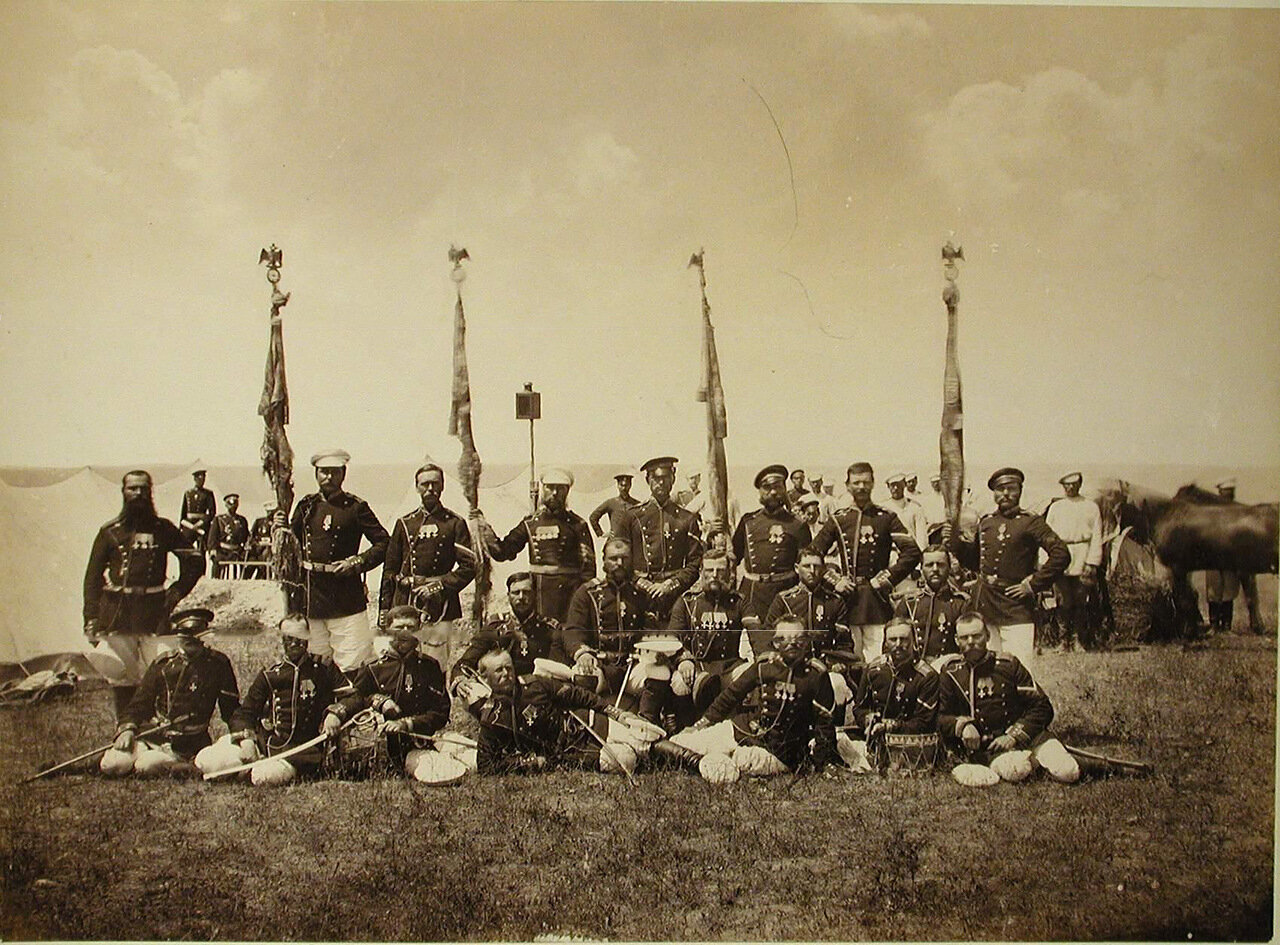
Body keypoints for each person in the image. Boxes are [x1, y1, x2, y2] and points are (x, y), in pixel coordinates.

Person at [83, 470, 206, 721]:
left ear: (150, 492)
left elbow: (195, 560)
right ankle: (125, 729)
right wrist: (92, 617)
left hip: (154, 612)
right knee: (122, 676)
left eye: (143, 488)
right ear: (123, 492)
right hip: (118, 613)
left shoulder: (163, 529)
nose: (138, 493)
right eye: (132, 488)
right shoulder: (110, 532)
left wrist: (177, 591)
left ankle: (158, 730)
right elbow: (92, 577)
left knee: (161, 670)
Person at [671, 619, 836, 777]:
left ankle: (702, 761)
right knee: (680, 743)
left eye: (798, 639)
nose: (791, 644)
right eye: (784, 639)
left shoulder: (816, 675)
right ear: (775, 643)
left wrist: (823, 762)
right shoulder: (765, 665)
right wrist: (700, 725)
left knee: (732, 763)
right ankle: (678, 755)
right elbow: (731, 695)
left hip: (777, 751)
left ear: (807, 642)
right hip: (744, 729)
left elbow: (825, 722)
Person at [944, 467, 1069, 670]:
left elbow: (1061, 554)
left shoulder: (1031, 522)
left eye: (1011, 489)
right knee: (987, 669)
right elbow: (975, 562)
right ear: (994, 493)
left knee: (1019, 669)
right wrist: (956, 544)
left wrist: (1033, 584)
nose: (1005, 494)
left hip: (1016, 607)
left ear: (1020, 491)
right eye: (1000, 489)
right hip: (986, 605)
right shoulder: (986, 522)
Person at [458, 648, 653, 776]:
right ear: (485, 678)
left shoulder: (535, 683)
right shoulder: (492, 719)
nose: (506, 674)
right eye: (498, 670)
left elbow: (578, 695)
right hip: (571, 752)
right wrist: (527, 763)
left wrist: (614, 712)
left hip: (586, 724)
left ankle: (670, 758)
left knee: (642, 735)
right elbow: (486, 766)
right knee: (627, 759)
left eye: (508, 668)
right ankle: (653, 763)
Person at [936, 612, 1080, 784]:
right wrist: (963, 726)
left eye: (976, 636)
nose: (971, 642)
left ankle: (1091, 765)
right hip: (992, 749)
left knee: (1068, 771)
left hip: (1028, 738)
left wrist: (1013, 736)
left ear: (987, 636)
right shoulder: (951, 672)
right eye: (964, 637)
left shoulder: (1009, 665)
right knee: (1016, 769)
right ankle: (1036, 766)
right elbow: (941, 717)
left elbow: (1042, 707)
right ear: (956, 640)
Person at [100, 608, 240, 778]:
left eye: (196, 636)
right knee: (112, 765)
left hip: (191, 743)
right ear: (178, 637)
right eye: (185, 636)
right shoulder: (163, 664)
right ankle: (172, 765)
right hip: (155, 738)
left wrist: (243, 735)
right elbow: (138, 704)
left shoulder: (218, 664)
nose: (191, 641)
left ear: (203, 637)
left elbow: (231, 709)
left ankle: (176, 765)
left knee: (146, 765)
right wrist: (127, 729)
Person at [212, 614, 348, 783]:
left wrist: (334, 713)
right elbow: (245, 712)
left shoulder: (323, 668)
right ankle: (247, 766)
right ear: (282, 640)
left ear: (307, 639)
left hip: (304, 751)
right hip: (270, 744)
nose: (294, 644)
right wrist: (246, 741)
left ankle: (248, 772)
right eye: (288, 639)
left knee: (263, 776)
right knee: (210, 762)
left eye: (299, 639)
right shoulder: (270, 674)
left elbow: (352, 696)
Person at [286, 450, 390, 674]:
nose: (329, 477)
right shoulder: (306, 507)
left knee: (353, 662)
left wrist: (357, 562)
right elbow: (290, 543)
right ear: (316, 474)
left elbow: (384, 543)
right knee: (316, 663)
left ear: (344, 474)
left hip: (345, 598)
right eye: (324, 472)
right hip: (312, 597)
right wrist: (278, 525)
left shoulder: (356, 507)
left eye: (335, 472)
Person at [808, 462, 922, 664]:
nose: (861, 487)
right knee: (849, 659)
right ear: (847, 485)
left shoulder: (886, 517)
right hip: (846, 600)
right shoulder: (839, 519)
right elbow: (811, 554)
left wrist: (886, 578)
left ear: (873, 484)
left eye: (866, 482)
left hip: (875, 600)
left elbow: (912, 552)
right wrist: (835, 580)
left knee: (878, 659)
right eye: (856, 483)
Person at [323, 606, 452, 780]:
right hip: (380, 746)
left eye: (411, 627)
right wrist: (335, 713)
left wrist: (406, 724)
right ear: (387, 631)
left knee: (451, 767)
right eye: (398, 627)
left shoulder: (430, 666)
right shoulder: (372, 667)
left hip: (418, 742)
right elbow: (357, 698)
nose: (405, 632)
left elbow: (440, 712)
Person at [379, 463, 477, 668]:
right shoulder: (405, 523)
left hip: (440, 604)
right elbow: (390, 570)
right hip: (405, 602)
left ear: (442, 486)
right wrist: (384, 610)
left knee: (436, 663)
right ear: (417, 487)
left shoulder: (454, 523)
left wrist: (438, 587)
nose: (430, 488)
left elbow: (469, 566)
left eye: (435, 483)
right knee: (400, 661)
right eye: (425, 484)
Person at [475, 467, 595, 623]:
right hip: (538, 594)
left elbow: (589, 569)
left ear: (567, 491)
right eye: (550, 487)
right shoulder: (530, 523)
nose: (555, 493)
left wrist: (582, 601)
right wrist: (483, 526)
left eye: (560, 488)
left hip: (569, 595)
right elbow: (503, 552)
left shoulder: (578, 524)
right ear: (543, 488)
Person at [561, 537, 654, 714]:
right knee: (583, 677)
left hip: (633, 665)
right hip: (600, 664)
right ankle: (587, 725)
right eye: (613, 558)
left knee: (659, 673)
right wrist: (582, 653)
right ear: (603, 560)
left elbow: (651, 628)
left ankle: (648, 722)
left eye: (624, 558)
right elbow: (573, 629)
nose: (619, 563)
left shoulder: (640, 593)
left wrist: (650, 653)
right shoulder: (587, 593)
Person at [611, 456, 704, 622]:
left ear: (673, 479)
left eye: (666, 477)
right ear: (648, 480)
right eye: (656, 478)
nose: (661, 482)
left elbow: (695, 563)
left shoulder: (687, 519)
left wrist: (669, 585)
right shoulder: (631, 516)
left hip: (675, 598)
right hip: (637, 596)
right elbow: (617, 557)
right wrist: (641, 583)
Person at [667, 554, 749, 727]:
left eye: (720, 571)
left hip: (729, 667)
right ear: (701, 572)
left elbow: (756, 632)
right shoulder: (687, 601)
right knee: (680, 681)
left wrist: (764, 659)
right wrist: (683, 660)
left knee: (747, 674)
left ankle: (736, 729)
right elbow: (672, 637)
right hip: (696, 666)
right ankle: (683, 730)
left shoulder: (739, 602)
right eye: (710, 570)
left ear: (730, 573)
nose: (714, 575)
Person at [732, 465, 810, 628]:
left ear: (785, 489)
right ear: (760, 491)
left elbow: (807, 564)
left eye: (778, 487)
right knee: (756, 638)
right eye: (767, 487)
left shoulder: (798, 524)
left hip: (785, 593)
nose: (773, 492)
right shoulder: (748, 521)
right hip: (752, 594)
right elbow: (733, 556)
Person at [454, 571, 564, 678]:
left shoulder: (549, 628)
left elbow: (558, 670)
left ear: (535, 594)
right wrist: (461, 680)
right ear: (508, 595)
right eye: (516, 592)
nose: (521, 597)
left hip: (539, 687)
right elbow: (465, 663)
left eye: (526, 592)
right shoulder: (495, 626)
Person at [854, 618, 940, 742]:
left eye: (904, 639)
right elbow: (859, 708)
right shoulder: (873, 670)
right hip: (874, 741)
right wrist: (868, 719)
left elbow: (924, 722)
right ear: (885, 642)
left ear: (914, 641)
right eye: (893, 639)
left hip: (912, 744)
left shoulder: (927, 677)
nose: (898, 644)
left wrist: (890, 727)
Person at [1044, 472, 1104, 649]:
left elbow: (1097, 535)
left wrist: (1092, 562)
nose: (1070, 487)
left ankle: (1079, 640)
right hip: (1061, 555)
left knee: (1081, 601)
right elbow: (1047, 536)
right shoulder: (1056, 507)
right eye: (1067, 484)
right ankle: (1063, 641)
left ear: (1079, 484)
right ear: (1063, 486)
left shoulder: (1091, 507)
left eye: (1074, 484)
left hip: (1082, 554)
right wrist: (1047, 560)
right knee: (1063, 601)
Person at [893, 545, 967, 661]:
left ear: (949, 568)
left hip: (949, 666)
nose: (935, 569)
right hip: (913, 667)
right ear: (922, 569)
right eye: (929, 565)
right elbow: (893, 640)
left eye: (940, 564)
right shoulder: (909, 603)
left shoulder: (961, 604)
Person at [1204, 478, 1242, 631]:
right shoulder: (1211, 512)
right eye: (1225, 493)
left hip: (1230, 556)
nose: (1228, 496)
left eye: (1230, 493)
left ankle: (1226, 626)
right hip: (1213, 555)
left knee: (1229, 590)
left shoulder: (1237, 512)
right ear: (1219, 494)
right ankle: (1214, 624)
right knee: (1213, 590)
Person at [207, 493, 250, 578]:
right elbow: (212, 537)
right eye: (230, 505)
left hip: (237, 550)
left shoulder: (242, 520)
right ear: (226, 505)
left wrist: (248, 545)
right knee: (216, 561)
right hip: (223, 550)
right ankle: (215, 580)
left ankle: (243, 580)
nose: (233, 508)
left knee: (249, 559)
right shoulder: (219, 519)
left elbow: (246, 536)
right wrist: (212, 549)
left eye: (235, 505)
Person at [883, 473, 930, 552]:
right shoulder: (884, 508)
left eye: (898, 485)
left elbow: (921, 536)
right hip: (891, 551)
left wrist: (922, 552)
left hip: (911, 551)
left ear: (904, 485)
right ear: (888, 486)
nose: (896, 488)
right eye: (893, 485)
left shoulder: (915, 507)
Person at [588, 472, 641, 538]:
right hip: (616, 540)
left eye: (626, 485)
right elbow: (593, 517)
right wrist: (601, 533)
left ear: (630, 485)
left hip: (632, 541)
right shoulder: (611, 503)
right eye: (621, 485)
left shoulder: (637, 504)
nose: (624, 488)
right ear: (617, 486)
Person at [178, 468, 216, 555]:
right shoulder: (188, 493)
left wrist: (201, 522)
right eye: (199, 479)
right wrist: (182, 525)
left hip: (202, 526)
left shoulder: (208, 494)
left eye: (203, 479)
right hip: (188, 525)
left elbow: (212, 512)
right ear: (195, 479)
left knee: (202, 550)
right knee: (185, 549)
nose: (202, 481)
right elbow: (183, 512)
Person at [245, 499, 276, 578]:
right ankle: (245, 580)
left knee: (264, 566)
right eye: (268, 511)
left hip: (269, 550)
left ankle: (261, 578)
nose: (270, 514)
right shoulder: (259, 521)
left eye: (272, 512)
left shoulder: (276, 523)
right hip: (257, 549)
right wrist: (254, 543)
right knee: (250, 564)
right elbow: (251, 535)